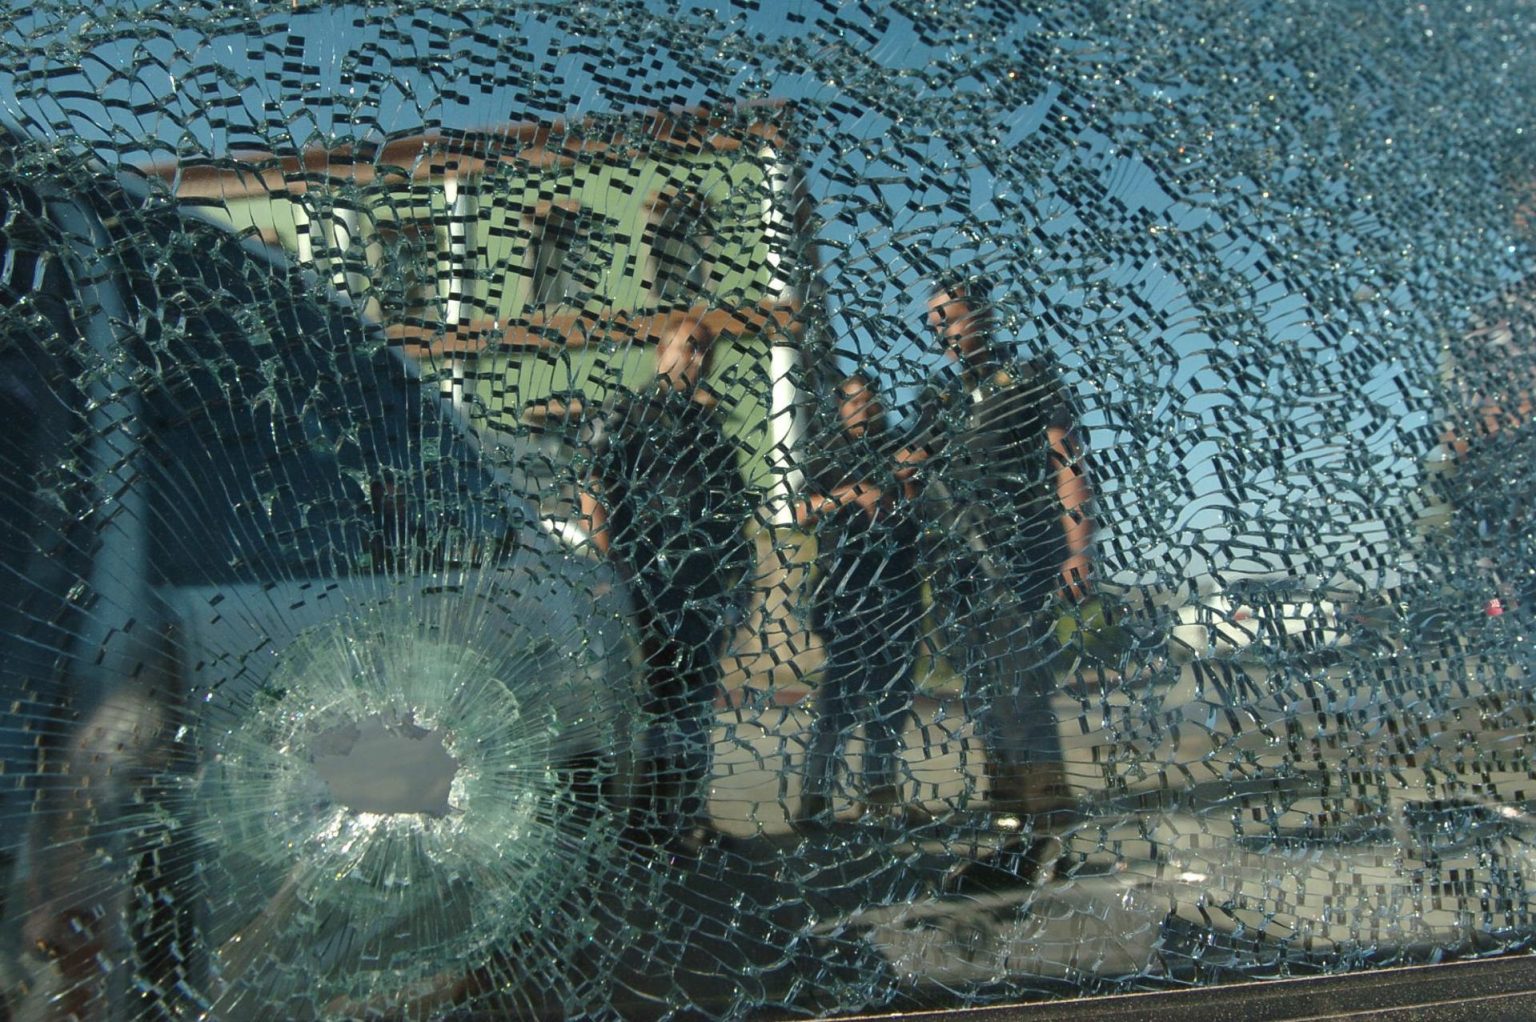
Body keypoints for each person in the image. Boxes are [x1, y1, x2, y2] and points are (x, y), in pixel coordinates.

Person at [899, 271, 1096, 888]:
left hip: (1020, 557)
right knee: (984, 697)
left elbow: (1067, 461)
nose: (943, 329)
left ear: (981, 316)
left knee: (1022, 694)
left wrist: (1077, 549)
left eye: (951, 315)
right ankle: (1011, 827)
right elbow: (910, 459)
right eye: (934, 321)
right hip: (959, 567)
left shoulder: (1031, 377)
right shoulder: (939, 396)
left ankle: (1053, 830)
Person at [577, 319, 753, 849]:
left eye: (706, 353)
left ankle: (685, 815)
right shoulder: (626, 415)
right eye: (690, 346)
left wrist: (737, 589)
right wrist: (608, 570)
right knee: (648, 705)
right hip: (644, 586)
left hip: (699, 593)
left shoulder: (709, 432)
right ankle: (641, 822)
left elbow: (731, 517)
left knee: (693, 708)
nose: (698, 360)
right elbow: (592, 485)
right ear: (663, 351)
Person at [793, 373, 926, 826]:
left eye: (873, 403)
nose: (867, 411)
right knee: (840, 697)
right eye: (856, 404)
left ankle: (879, 794)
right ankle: (814, 797)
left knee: (893, 696)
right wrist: (852, 492)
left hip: (899, 586)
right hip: (844, 591)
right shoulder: (826, 453)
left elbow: (920, 514)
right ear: (840, 408)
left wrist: (910, 482)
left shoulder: (898, 446)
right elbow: (799, 512)